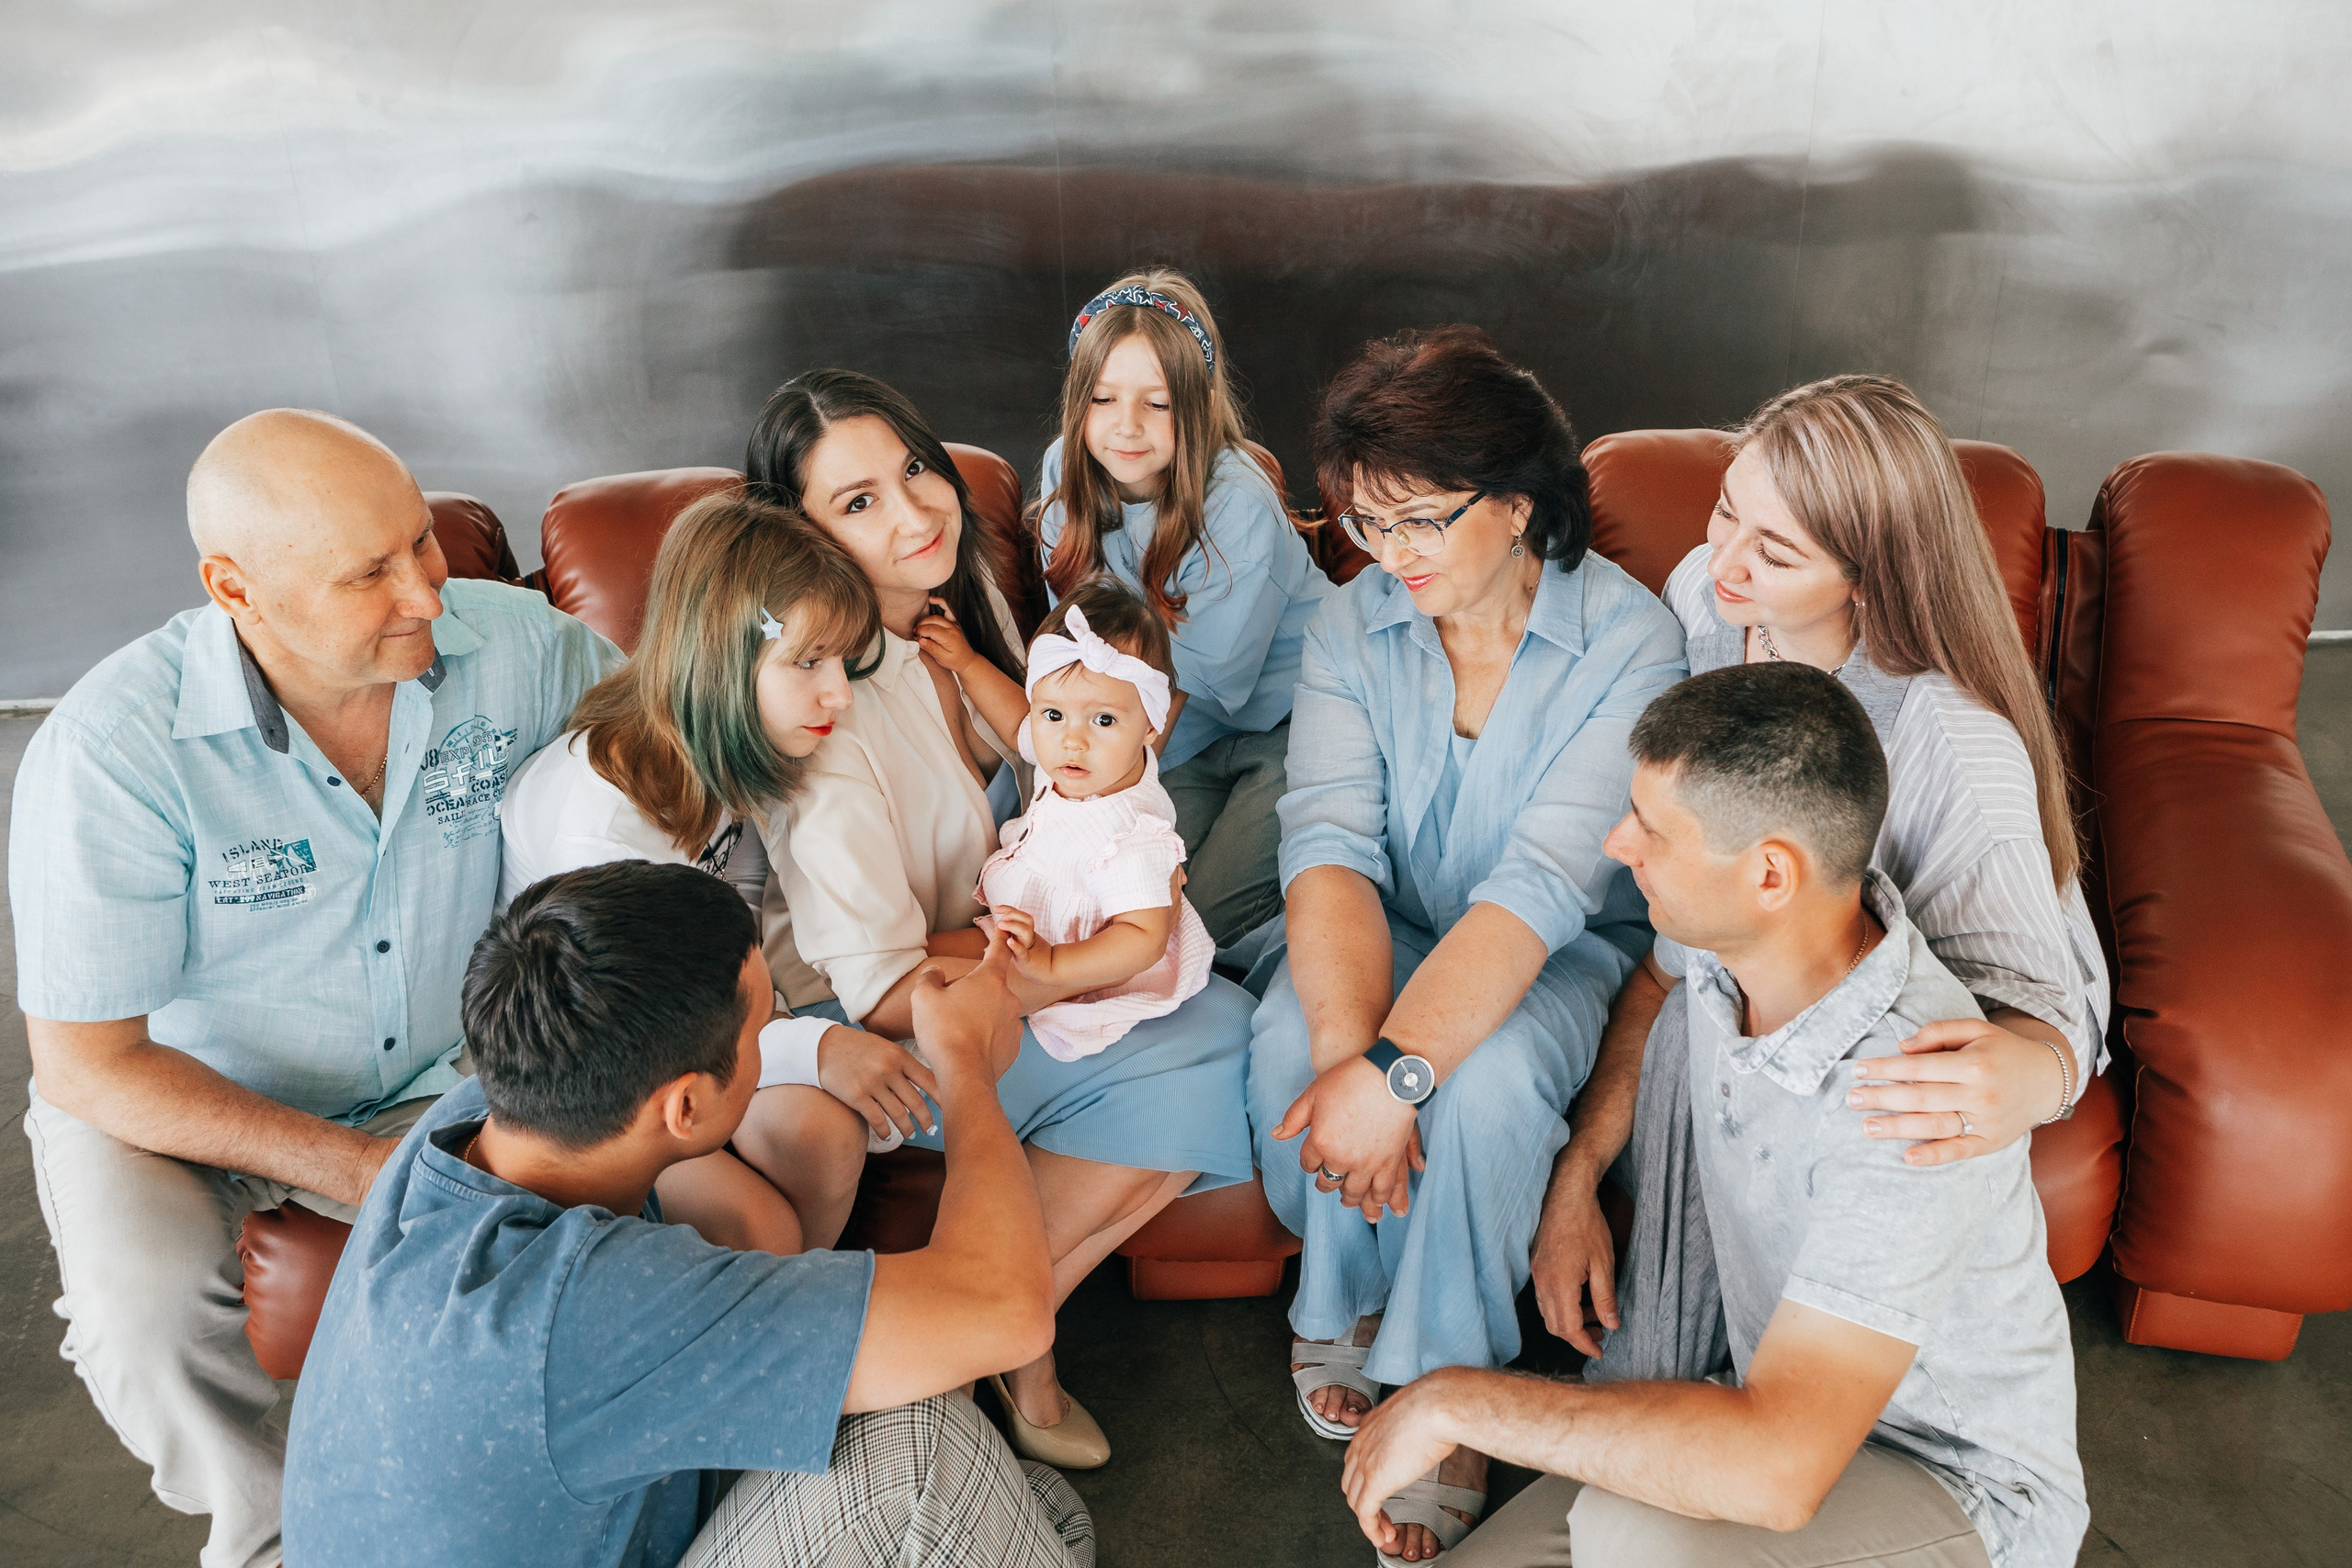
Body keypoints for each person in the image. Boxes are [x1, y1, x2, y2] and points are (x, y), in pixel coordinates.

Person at [11, 409, 620, 1568]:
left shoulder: (523, 647)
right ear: (233, 589)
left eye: (423, 543)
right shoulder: (112, 751)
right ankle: (271, 1536)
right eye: (371, 574)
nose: (428, 594)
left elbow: (681, 740)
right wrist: (356, 1169)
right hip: (179, 1102)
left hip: (450, 1069)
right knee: (141, 1316)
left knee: (594, 1260)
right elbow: (92, 1064)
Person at [1348, 661, 2086, 1568]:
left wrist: (1452, 1400)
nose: (1619, 844)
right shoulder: (1740, 938)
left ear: (1771, 874)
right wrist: (1578, 1173)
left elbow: (1775, 1471)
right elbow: (1658, 978)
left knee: (1630, 1531)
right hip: (1755, 1398)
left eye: (1653, 830)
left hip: (1946, 1485)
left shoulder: (1904, 1105)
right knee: (1599, 1528)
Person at [1535, 373, 2111, 1389]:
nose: (1724, 560)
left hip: (1893, 1031)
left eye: (1776, 550)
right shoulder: (1705, 611)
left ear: (1867, 578)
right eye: (1725, 509)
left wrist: (2030, 1077)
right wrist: (1579, 1170)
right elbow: (1679, 959)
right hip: (1738, 989)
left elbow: (2047, 1010)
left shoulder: (1950, 743)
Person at [281, 859, 1094, 1568]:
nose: (776, 1035)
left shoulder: (484, 1113)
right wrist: (965, 1066)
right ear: (685, 1105)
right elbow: (1008, 1312)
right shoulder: (577, 1307)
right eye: (763, 1026)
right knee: (924, 1447)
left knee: (1025, 1504)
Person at [743, 369, 1259, 1469]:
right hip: (884, 1021)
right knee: (1215, 1037)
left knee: (1222, 1030)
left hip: (999, 962)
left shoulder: (949, 625)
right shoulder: (825, 709)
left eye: (914, 472)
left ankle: (997, 1331)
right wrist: (1065, 966)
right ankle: (996, 1342)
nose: (917, 510)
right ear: (801, 538)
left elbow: (1065, 768)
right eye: (858, 502)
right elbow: (878, 982)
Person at [1247, 326, 1686, 1562]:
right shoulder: (1349, 626)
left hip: (1555, 949)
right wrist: (1353, 1061)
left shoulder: (1633, 642)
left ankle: (1451, 1373)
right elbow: (1327, 840)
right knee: (1294, 1032)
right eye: (1364, 525)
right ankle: (1340, 1297)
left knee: (1478, 1081)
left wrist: (1399, 1074)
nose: (1389, 556)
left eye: (1420, 520)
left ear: (1521, 502)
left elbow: (1546, 884)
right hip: (1390, 921)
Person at [498, 490, 934, 1257]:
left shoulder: (734, 749)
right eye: (807, 662)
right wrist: (818, 1048)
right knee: (758, 1220)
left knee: (823, 1133)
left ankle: (807, 1333)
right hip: (606, 1079)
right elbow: (642, 1029)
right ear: (722, 659)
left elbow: (739, 908)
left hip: (703, 1031)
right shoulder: (600, 826)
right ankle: (783, 1344)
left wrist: (811, 1033)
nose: (839, 691)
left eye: (842, 660)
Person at [1022, 267, 1332, 953]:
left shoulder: (1237, 505)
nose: (1125, 427)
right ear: (1078, 401)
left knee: (1188, 929)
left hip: (1288, 721)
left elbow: (1185, 689)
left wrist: (1107, 808)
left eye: (1157, 404)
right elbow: (1082, 661)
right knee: (1102, 906)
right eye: (1102, 398)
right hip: (1175, 735)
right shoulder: (1061, 476)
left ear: (1199, 403)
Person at [962, 581, 1214, 1063]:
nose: (1071, 741)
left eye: (1102, 721)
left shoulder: (1134, 833)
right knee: (914, 954)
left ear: (1151, 726)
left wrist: (1055, 965)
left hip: (1081, 961)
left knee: (949, 992)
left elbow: (1143, 939)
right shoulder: (1069, 754)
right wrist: (967, 664)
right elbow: (1019, 721)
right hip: (1022, 926)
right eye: (1053, 713)